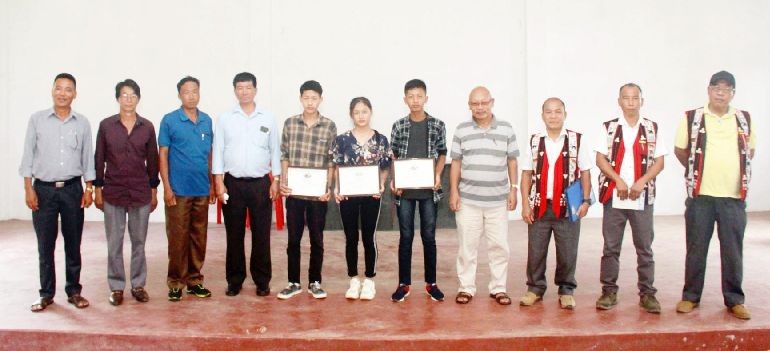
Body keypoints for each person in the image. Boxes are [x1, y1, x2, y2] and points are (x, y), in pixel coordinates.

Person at [673, 71, 756, 320]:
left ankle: (735, 300)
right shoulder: (692, 117)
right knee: (696, 248)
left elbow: (749, 151)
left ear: (733, 93)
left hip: (733, 198)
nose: (721, 92)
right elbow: (680, 150)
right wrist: (697, 171)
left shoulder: (744, 119)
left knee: (733, 250)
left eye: (727, 88)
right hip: (701, 197)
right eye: (716, 87)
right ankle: (690, 297)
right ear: (708, 90)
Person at [20, 73, 95, 312]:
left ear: (75, 94)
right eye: (59, 88)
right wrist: (28, 189)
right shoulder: (37, 120)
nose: (63, 93)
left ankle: (74, 291)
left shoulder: (82, 123)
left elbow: (87, 157)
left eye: (68, 89)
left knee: (73, 243)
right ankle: (46, 293)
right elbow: (28, 156)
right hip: (43, 190)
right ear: (52, 91)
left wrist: (89, 187)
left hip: (73, 189)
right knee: (45, 244)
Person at [594, 83, 666, 313]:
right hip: (614, 197)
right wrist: (618, 180)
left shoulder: (652, 128)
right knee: (611, 247)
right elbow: (600, 159)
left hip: (642, 198)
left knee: (644, 248)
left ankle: (647, 294)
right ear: (619, 101)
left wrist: (642, 181)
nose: (631, 102)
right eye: (627, 98)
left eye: (635, 98)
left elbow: (660, 162)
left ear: (642, 101)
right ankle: (609, 291)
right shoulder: (609, 128)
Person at [518, 97, 592, 310]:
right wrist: (525, 204)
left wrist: (585, 201)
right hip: (540, 206)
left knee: (568, 251)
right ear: (542, 116)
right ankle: (534, 289)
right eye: (548, 112)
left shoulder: (577, 140)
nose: (553, 116)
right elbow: (526, 174)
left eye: (557, 112)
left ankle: (566, 290)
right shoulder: (534, 141)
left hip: (568, 207)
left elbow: (585, 171)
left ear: (565, 115)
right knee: (536, 251)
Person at [212, 72, 281, 298]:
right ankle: (234, 280)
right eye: (239, 88)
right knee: (234, 235)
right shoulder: (225, 119)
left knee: (262, 234)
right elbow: (218, 150)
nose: (244, 92)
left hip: (261, 183)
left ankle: (262, 281)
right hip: (233, 184)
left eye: (248, 87)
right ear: (234, 91)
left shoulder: (268, 118)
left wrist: (276, 180)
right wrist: (219, 182)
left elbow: (275, 151)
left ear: (255, 90)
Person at [449, 86, 519, 306]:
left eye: (483, 103)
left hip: (497, 201)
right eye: (475, 103)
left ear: (492, 102)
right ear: (469, 105)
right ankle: (466, 288)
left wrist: (514, 188)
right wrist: (454, 191)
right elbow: (456, 163)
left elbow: (512, 161)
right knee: (467, 247)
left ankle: (498, 288)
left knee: (499, 246)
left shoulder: (506, 129)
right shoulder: (461, 130)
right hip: (468, 201)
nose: (480, 107)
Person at [94, 79, 159, 306]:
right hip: (113, 191)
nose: (128, 99)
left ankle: (138, 285)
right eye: (124, 95)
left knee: (139, 241)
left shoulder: (147, 127)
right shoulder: (106, 126)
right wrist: (98, 189)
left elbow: (153, 161)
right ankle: (117, 286)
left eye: (132, 95)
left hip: (140, 192)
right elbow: (99, 158)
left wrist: (154, 190)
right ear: (117, 99)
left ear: (138, 99)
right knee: (115, 241)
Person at [277, 80, 337, 300]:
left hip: (317, 195)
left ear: (321, 99)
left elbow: (331, 161)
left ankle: (315, 281)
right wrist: (284, 181)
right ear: (300, 98)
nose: (310, 102)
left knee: (317, 239)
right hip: (294, 193)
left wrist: (328, 187)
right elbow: (284, 155)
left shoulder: (329, 126)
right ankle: (293, 282)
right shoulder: (290, 124)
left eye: (314, 98)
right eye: (306, 98)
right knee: (293, 239)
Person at [389, 79, 447, 302]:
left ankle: (431, 284)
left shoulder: (437, 125)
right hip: (405, 192)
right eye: (410, 96)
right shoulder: (399, 125)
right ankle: (403, 284)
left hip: (428, 192)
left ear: (426, 98)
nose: (415, 100)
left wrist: (438, 174)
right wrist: (395, 179)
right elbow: (393, 155)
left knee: (429, 236)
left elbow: (442, 153)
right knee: (405, 236)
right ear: (405, 99)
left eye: (419, 96)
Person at [159, 76, 216, 301]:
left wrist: (212, 184)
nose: (191, 95)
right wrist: (167, 187)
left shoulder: (207, 120)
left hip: (201, 189)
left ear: (199, 93)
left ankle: (194, 280)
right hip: (178, 191)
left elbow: (210, 154)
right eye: (186, 92)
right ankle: (175, 282)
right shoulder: (170, 120)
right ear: (179, 95)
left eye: (195, 91)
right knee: (177, 238)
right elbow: (162, 155)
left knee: (198, 237)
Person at [331, 97, 391, 300]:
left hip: (371, 195)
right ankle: (354, 279)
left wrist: (381, 184)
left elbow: (385, 167)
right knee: (350, 237)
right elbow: (338, 166)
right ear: (351, 115)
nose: (361, 116)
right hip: (348, 195)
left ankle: (369, 280)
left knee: (368, 237)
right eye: (356, 112)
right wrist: (337, 187)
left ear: (371, 112)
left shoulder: (381, 139)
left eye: (364, 111)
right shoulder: (342, 140)